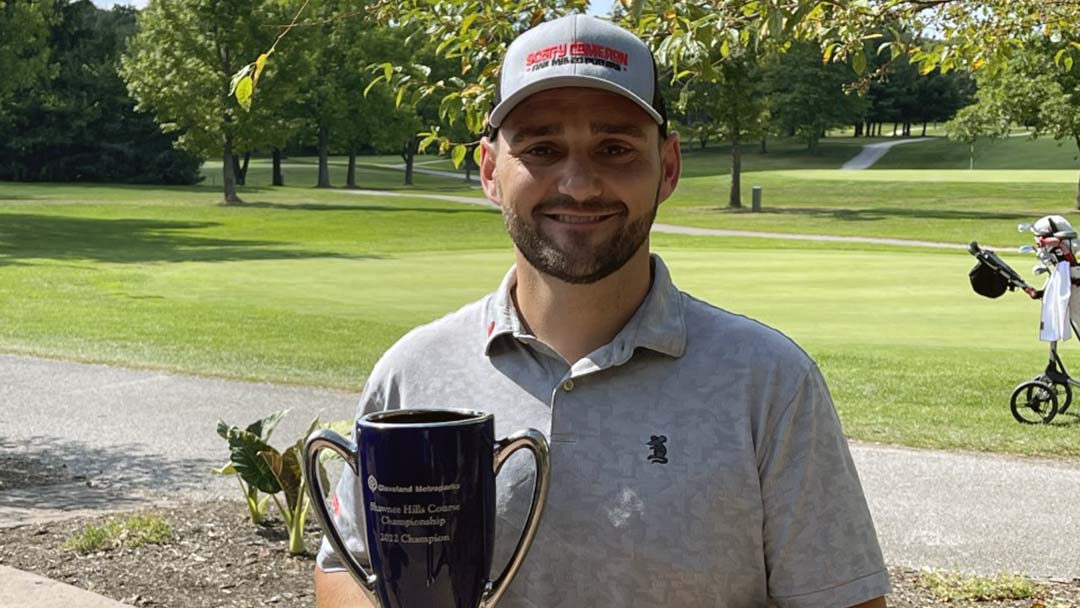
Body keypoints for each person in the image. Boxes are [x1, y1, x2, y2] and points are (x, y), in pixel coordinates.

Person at [315, 13, 890, 608]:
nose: (580, 184)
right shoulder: (415, 371)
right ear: (490, 171)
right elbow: (345, 568)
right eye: (542, 148)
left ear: (667, 167)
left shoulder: (768, 381)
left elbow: (843, 598)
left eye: (614, 148)